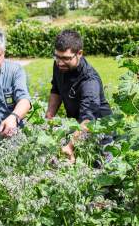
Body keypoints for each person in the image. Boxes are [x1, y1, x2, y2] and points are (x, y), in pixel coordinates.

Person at [45, 30, 112, 162]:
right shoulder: (59, 64)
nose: (60, 63)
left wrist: (70, 146)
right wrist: (49, 116)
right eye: (57, 57)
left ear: (79, 53)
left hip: (100, 135)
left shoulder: (89, 81)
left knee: (102, 172)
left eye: (66, 58)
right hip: (77, 129)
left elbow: (88, 120)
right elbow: (56, 89)